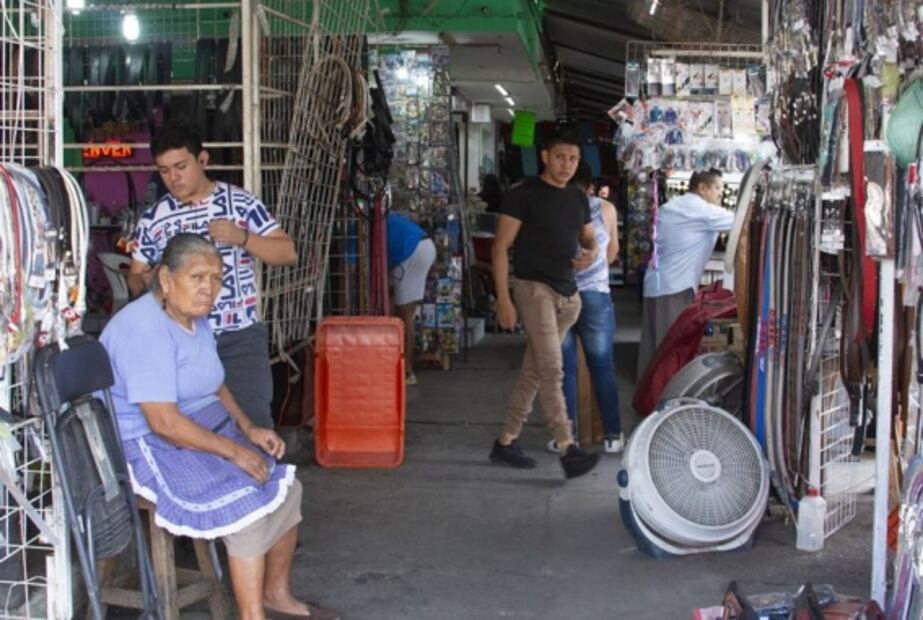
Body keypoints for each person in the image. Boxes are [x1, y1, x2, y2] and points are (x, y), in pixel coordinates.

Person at [101, 234, 339, 620]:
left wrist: (248, 429)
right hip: (153, 446)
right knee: (245, 501)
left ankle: (276, 594)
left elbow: (214, 382)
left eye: (216, 278)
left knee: (285, 486)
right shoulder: (143, 329)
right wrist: (235, 452)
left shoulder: (194, 317)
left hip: (200, 430)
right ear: (164, 278)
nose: (208, 288)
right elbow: (163, 423)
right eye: (197, 277)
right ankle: (251, 616)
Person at [128, 120, 296, 430]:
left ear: (202, 160)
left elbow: (287, 252)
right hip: (179, 341)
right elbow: (135, 277)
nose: (173, 178)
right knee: (192, 429)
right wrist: (148, 281)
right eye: (164, 171)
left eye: (180, 166)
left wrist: (244, 238)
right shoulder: (154, 218)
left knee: (255, 426)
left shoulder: (240, 203)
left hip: (237, 338)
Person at [489, 130, 601, 479]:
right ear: (544, 158)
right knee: (552, 369)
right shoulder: (522, 196)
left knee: (535, 371)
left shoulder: (578, 198)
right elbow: (499, 248)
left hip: (569, 296)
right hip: (533, 289)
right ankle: (569, 448)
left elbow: (588, 237)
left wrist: (592, 251)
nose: (566, 165)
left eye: (572, 159)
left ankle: (506, 442)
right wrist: (503, 299)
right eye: (559, 157)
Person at [546, 161, 624, 455]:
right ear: (590, 185)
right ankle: (613, 435)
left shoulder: (551, 206)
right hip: (595, 296)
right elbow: (612, 252)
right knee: (602, 365)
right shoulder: (605, 209)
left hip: (560, 295)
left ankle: (567, 437)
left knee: (564, 368)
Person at [636, 168, 733, 379]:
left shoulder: (673, 206)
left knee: (653, 348)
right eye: (717, 188)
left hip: (657, 283)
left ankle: (648, 401)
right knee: (670, 349)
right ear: (702, 188)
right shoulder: (701, 210)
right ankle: (666, 403)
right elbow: (740, 221)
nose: (721, 193)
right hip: (675, 287)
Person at [387, 211, 436, 385]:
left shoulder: (358, 224)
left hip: (412, 253)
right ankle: (404, 367)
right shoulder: (378, 215)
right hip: (420, 247)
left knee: (404, 315)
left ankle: (407, 371)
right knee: (405, 313)